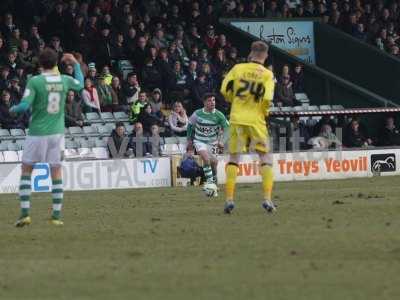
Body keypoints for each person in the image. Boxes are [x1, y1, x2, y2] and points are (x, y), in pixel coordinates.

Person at [10, 49, 84, 227]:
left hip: (37, 132)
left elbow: (24, 106)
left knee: (27, 169)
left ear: (40, 64)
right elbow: (81, 84)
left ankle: (25, 214)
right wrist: (74, 63)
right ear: (56, 63)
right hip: (57, 134)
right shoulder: (64, 80)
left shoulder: (35, 81)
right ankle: (56, 216)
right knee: (56, 172)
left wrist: (12, 109)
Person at [220, 40, 275, 214]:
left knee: (234, 159)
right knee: (265, 158)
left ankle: (229, 199)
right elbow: (267, 99)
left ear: (251, 53)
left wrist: (233, 100)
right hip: (256, 120)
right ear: (265, 56)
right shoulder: (268, 75)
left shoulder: (238, 68)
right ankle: (267, 199)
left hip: (237, 117)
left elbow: (224, 89)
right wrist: (263, 112)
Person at [187, 93, 229, 195]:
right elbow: (189, 125)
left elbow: (228, 129)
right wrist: (189, 140)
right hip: (199, 140)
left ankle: (214, 180)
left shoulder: (219, 115)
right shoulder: (197, 113)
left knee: (214, 163)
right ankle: (210, 185)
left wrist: (222, 141)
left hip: (212, 142)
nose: (212, 102)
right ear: (204, 102)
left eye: (214, 100)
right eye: (210, 100)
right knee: (206, 159)